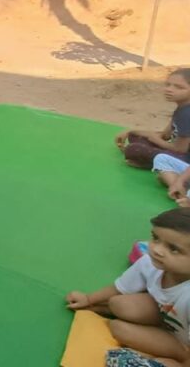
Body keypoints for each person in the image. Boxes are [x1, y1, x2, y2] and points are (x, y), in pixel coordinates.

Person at [66, 207, 190, 366]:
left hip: (183, 343)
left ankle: (181, 357)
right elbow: (119, 287)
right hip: (167, 317)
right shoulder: (150, 263)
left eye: (173, 249)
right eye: (156, 238)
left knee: (120, 329)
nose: (157, 250)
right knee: (118, 305)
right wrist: (88, 299)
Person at [117, 69, 190, 169]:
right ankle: (154, 160)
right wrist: (131, 131)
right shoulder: (181, 108)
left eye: (179, 87)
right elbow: (165, 135)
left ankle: (158, 164)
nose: (169, 89)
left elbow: (180, 149)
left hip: (185, 159)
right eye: (168, 85)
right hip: (175, 150)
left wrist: (156, 140)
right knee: (134, 136)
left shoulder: (186, 114)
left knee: (133, 149)